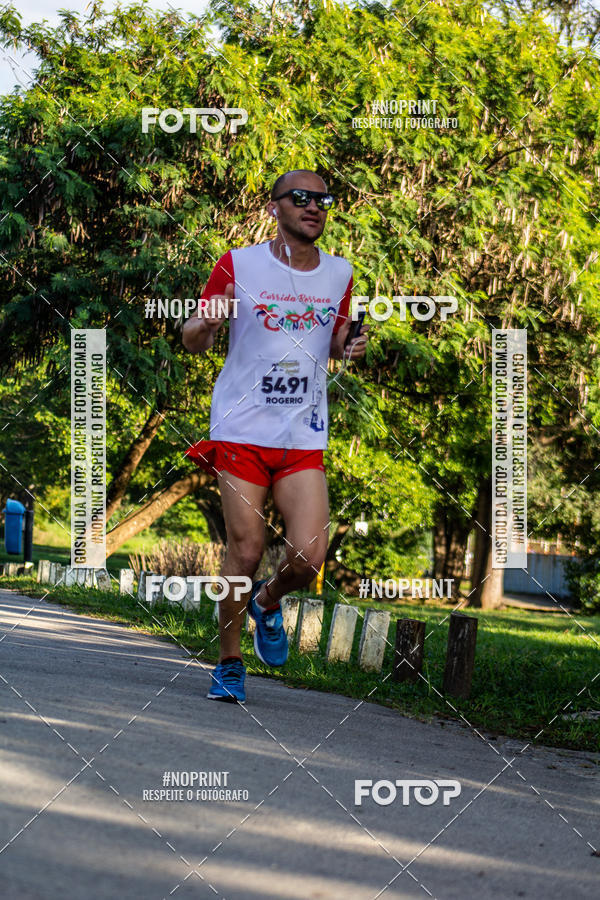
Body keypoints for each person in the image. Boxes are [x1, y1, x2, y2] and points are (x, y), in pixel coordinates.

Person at [182, 169, 368, 703]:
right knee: (245, 549)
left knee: (310, 556)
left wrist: (351, 346)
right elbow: (192, 338)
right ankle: (230, 662)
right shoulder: (238, 264)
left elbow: (336, 340)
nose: (314, 207)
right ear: (275, 207)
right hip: (242, 429)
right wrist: (207, 324)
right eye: (302, 198)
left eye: (323, 199)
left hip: (303, 432)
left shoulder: (340, 273)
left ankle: (266, 602)